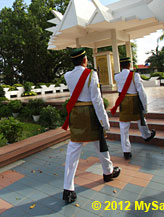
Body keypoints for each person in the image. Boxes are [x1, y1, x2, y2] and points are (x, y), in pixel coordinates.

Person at [62, 48, 120, 204]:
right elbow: (97, 100)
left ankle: (68, 188)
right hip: (90, 113)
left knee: (73, 149)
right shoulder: (91, 75)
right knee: (100, 143)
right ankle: (108, 172)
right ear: (84, 60)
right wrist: (105, 121)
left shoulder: (67, 76)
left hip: (76, 113)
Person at [112, 57, 156, 160]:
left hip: (123, 101)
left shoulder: (117, 76)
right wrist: (145, 106)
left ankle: (126, 151)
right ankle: (146, 135)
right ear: (129, 65)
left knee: (124, 127)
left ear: (121, 65)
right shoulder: (135, 75)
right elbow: (141, 91)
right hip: (134, 100)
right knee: (141, 119)